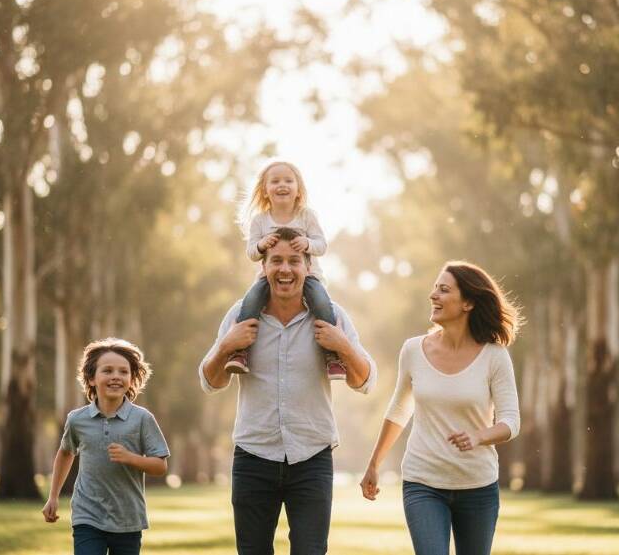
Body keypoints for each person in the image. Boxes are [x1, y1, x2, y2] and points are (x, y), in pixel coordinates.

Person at [199, 226, 377, 555]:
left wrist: (343, 347)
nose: (284, 269)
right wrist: (226, 347)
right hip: (254, 457)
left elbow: (364, 381)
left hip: (312, 458)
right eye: (276, 260)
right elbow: (211, 382)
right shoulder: (241, 316)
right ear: (263, 268)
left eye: (294, 261)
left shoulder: (332, 317)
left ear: (308, 269)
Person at [360, 261, 521, 555]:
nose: (433, 295)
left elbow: (511, 421)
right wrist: (374, 464)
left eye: (444, 290)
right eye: (435, 288)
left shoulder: (494, 357)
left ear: (468, 302)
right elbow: (399, 409)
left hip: (478, 485)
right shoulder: (413, 350)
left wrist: (478, 436)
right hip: (423, 482)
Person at [42, 338, 170, 555]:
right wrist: (53, 496)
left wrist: (131, 458)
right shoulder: (77, 419)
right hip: (87, 516)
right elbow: (65, 453)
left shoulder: (142, 419)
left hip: (128, 519)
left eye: (123, 371)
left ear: (131, 379)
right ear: (91, 378)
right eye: (108, 370)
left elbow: (160, 466)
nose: (116, 377)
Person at [226, 159, 345, 380]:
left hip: (309, 276)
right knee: (250, 301)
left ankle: (332, 357)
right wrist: (262, 244)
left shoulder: (306, 215)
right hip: (268, 277)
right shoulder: (260, 221)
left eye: (289, 180)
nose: (282, 185)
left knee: (321, 301)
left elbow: (322, 245)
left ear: (298, 190)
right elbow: (252, 252)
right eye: (275, 181)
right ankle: (240, 352)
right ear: (265, 190)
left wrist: (307, 244)